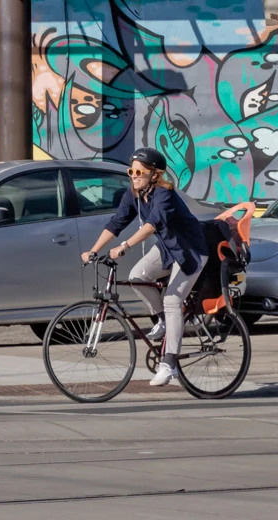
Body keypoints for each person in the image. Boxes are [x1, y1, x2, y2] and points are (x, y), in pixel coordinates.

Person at [80, 148, 210, 387]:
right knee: (137, 276)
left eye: (140, 171)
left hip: (190, 252)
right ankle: (162, 320)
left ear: (155, 174)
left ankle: (169, 364)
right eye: (131, 171)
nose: (134, 176)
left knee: (172, 300)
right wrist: (93, 250)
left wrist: (125, 246)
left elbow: (153, 225)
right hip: (166, 249)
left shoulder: (164, 194)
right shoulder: (134, 194)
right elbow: (117, 222)